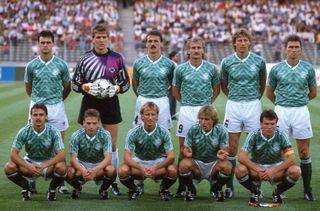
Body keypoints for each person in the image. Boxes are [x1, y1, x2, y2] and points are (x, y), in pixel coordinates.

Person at [72, 23, 130, 196]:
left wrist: (116, 89)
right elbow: (75, 84)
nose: (101, 40)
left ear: (108, 38)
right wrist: (87, 87)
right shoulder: (84, 59)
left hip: (111, 103)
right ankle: (80, 179)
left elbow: (125, 84)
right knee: (85, 143)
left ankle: (113, 182)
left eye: (104, 37)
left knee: (111, 145)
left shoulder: (117, 58)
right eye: (98, 37)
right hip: (90, 103)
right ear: (93, 39)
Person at [266, 34, 317, 201]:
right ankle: (280, 189)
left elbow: (313, 92)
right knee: (281, 152)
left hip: (300, 112)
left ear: (301, 50)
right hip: (281, 112)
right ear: (285, 49)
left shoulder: (308, 69)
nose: (293, 50)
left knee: (303, 152)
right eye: (290, 47)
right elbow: (269, 93)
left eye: (296, 47)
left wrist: (298, 102)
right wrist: (283, 104)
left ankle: (307, 189)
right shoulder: (276, 69)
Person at [220, 28, 267, 197]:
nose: (242, 43)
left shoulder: (259, 61)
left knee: (255, 146)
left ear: (249, 42)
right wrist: (235, 97)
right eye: (239, 40)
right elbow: (224, 84)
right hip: (233, 106)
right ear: (234, 43)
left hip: (253, 106)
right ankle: (229, 187)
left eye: (245, 40)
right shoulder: (227, 62)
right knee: (231, 147)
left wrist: (253, 98)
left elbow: (262, 83)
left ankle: (255, 187)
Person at [172, 36, 220, 197]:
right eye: (193, 48)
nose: (196, 50)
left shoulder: (211, 68)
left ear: (203, 50)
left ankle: (215, 183)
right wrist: (186, 103)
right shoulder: (180, 69)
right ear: (188, 50)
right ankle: (182, 186)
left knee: (210, 146)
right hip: (186, 111)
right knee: (183, 149)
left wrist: (206, 106)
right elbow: (175, 90)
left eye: (199, 48)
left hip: (205, 111)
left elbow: (216, 89)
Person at [24, 30, 71, 194]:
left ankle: (60, 183)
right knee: (33, 144)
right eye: (42, 42)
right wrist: (39, 103)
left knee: (60, 145)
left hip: (56, 107)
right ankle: (31, 180)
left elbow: (67, 87)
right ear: (38, 44)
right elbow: (28, 88)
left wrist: (56, 99)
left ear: (53, 44)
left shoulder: (61, 64)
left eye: (47, 42)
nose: (45, 45)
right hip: (36, 108)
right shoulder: (31, 66)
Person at [4, 104, 67, 201]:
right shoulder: (24, 131)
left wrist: (44, 165)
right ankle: (26, 187)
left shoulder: (53, 131)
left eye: (41, 115)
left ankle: (52, 190)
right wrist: (28, 166)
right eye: (35, 115)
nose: (38, 117)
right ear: (31, 117)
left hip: (48, 164)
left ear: (46, 116)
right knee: (9, 167)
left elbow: (62, 154)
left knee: (62, 167)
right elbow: (13, 154)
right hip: (30, 162)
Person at [236, 109, 301, 204]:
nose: (269, 127)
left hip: (276, 168)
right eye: (266, 124)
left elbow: (292, 159)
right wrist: (258, 170)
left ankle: (277, 192)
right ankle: (255, 191)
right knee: (239, 170)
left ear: (276, 124)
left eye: (272, 124)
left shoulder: (281, 135)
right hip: (257, 167)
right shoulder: (253, 134)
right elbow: (241, 157)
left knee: (296, 171)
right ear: (261, 124)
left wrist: (273, 171)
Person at [118, 102, 177, 201]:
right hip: (140, 161)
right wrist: (140, 167)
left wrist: (156, 167)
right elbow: (127, 157)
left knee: (173, 170)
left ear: (157, 116)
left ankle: (164, 189)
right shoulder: (133, 132)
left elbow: (170, 157)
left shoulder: (164, 132)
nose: (150, 117)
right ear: (141, 117)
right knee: (122, 171)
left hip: (158, 161)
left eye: (153, 114)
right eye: (147, 114)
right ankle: (134, 189)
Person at [178, 105, 231, 202]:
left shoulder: (221, 130)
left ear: (214, 120)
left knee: (227, 166)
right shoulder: (193, 129)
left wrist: (222, 153)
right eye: (201, 119)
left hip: (213, 164)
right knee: (183, 164)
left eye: (206, 119)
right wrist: (186, 152)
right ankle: (191, 189)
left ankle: (216, 189)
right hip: (197, 164)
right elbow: (186, 148)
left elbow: (225, 149)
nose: (203, 122)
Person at [66, 109, 116, 200]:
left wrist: (94, 170)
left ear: (99, 123)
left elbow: (108, 158)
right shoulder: (76, 135)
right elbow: (73, 158)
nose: (91, 126)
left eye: (94, 123)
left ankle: (103, 190)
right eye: (88, 123)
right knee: (68, 171)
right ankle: (77, 188)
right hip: (82, 163)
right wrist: (83, 170)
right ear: (83, 123)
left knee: (111, 169)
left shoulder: (105, 134)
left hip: (98, 164)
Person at [132, 30, 176, 130]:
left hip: (162, 101)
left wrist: (164, 95)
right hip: (143, 100)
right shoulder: (138, 63)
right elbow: (135, 83)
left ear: (161, 43)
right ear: (146, 44)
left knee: (164, 132)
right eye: (150, 41)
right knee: (139, 133)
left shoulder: (169, 64)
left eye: (156, 41)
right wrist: (141, 95)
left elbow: (173, 85)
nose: (153, 43)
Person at [168, 50, 180, 120]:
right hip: (172, 85)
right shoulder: (172, 64)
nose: (178, 57)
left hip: (173, 85)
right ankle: (170, 114)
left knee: (173, 100)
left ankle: (172, 114)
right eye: (176, 56)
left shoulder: (174, 64)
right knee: (170, 100)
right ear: (172, 57)